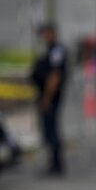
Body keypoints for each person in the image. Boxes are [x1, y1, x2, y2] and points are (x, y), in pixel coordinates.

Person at [30, 23, 68, 175]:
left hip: (51, 97)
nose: (44, 37)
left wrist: (47, 97)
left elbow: (55, 76)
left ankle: (56, 164)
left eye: (46, 33)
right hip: (46, 95)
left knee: (51, 129)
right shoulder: (48, 50)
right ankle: (52, 163)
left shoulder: (57, 50)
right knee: (47, 129)